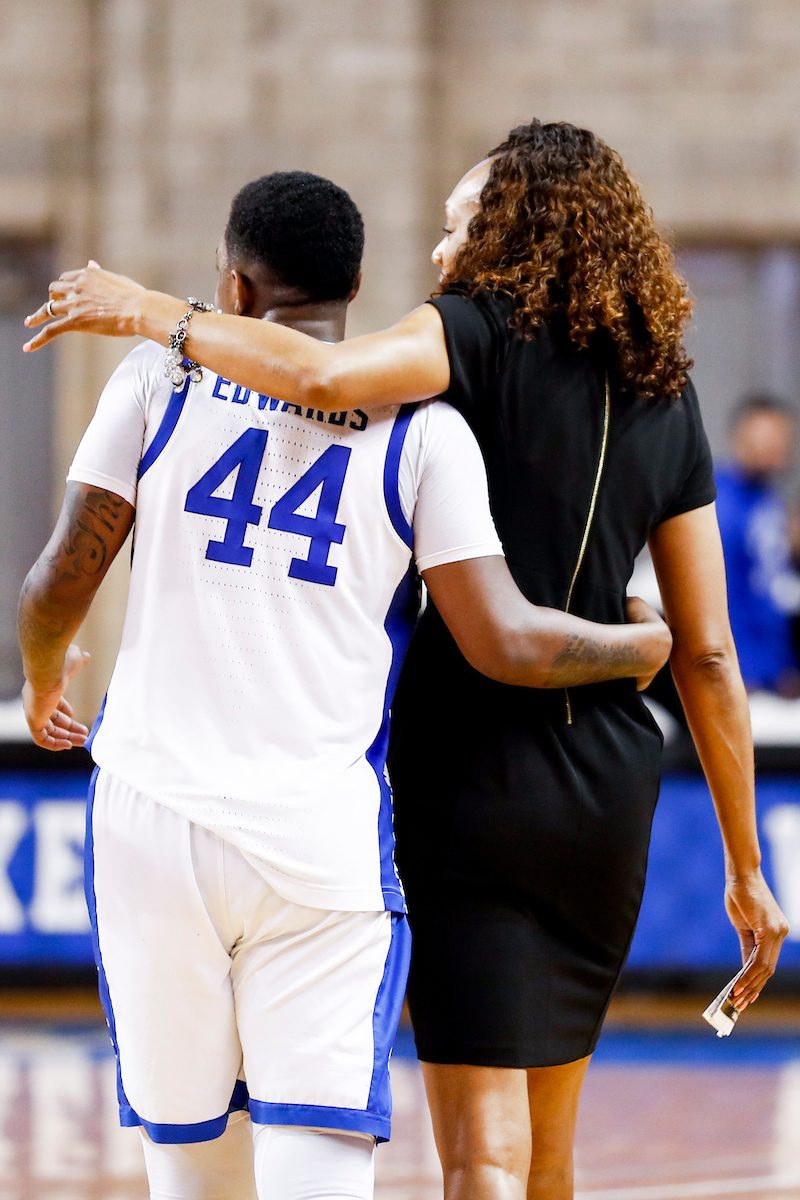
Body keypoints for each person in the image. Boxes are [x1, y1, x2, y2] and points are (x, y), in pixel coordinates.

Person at [24, 121, 788, 1200]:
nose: (441, 248)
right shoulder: (664, 388)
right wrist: (744, 862)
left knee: (474, 1156)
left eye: (460, 222)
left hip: (461, 773)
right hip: (604, 788)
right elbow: (705, 653)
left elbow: (323, 377)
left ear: (517, 229)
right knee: (548, 1155)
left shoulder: (460, 338)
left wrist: (154, 312)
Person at [715, 394, 800, 695]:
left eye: (781, 437)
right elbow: (720, 598)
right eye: (765, 436)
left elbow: (770, 589)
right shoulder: (716, 501)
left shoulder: (770, 499)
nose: (774, 445)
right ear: (740, 437)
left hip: (774, 671)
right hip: (739, 674)